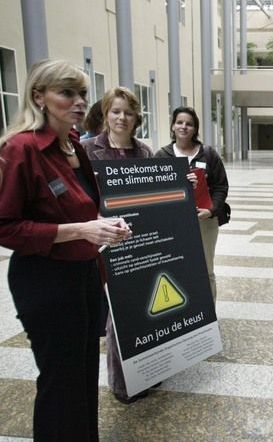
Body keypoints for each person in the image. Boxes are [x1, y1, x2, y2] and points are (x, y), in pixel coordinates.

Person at [0, 59, 132, 441]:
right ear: (39, 97)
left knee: (84, 377)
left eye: (82, 94)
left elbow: (86, 206)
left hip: (85, 276)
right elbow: (5, 225)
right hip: (46, 281)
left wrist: (107, 227)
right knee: (60, 382)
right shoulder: (21, 148)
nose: (78, 102)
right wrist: (81, 230)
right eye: (67, 93)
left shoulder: (74, 145)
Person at [81, 86, 153, 405]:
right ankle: (122, 383)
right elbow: (79, 199)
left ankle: (146, 369)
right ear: (105, 114)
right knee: (115, 315)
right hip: (105, 246)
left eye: (128, 112)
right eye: (115, 111)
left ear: (136, 117)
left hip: (140, 243)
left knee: (141, 309)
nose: (121, 117)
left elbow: (154, 198)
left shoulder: (145, 153)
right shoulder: (86, 150)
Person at [155, 107, 229, 301]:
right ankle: (185, 316)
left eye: (189, 123)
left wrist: (211, 210)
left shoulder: (208, 154)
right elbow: (154, 191)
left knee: (206, 270)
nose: (184, 127)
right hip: (174, 222)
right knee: (176, 267)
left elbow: (221, 187)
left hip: (204, 221)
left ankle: (208, 316)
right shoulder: (162, 155)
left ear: (195, 128)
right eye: (179, 122)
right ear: (172, 126)